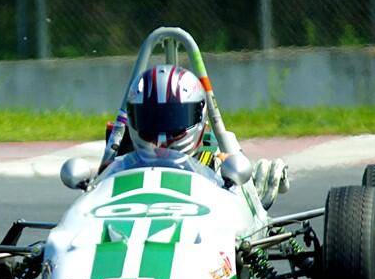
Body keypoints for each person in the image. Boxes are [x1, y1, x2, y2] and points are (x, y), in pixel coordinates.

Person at [100, 64, 289, 210]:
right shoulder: (121, 162)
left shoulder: (220, 159)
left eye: (174, 117)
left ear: (199, 114)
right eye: (151, 118)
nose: (163, 133)